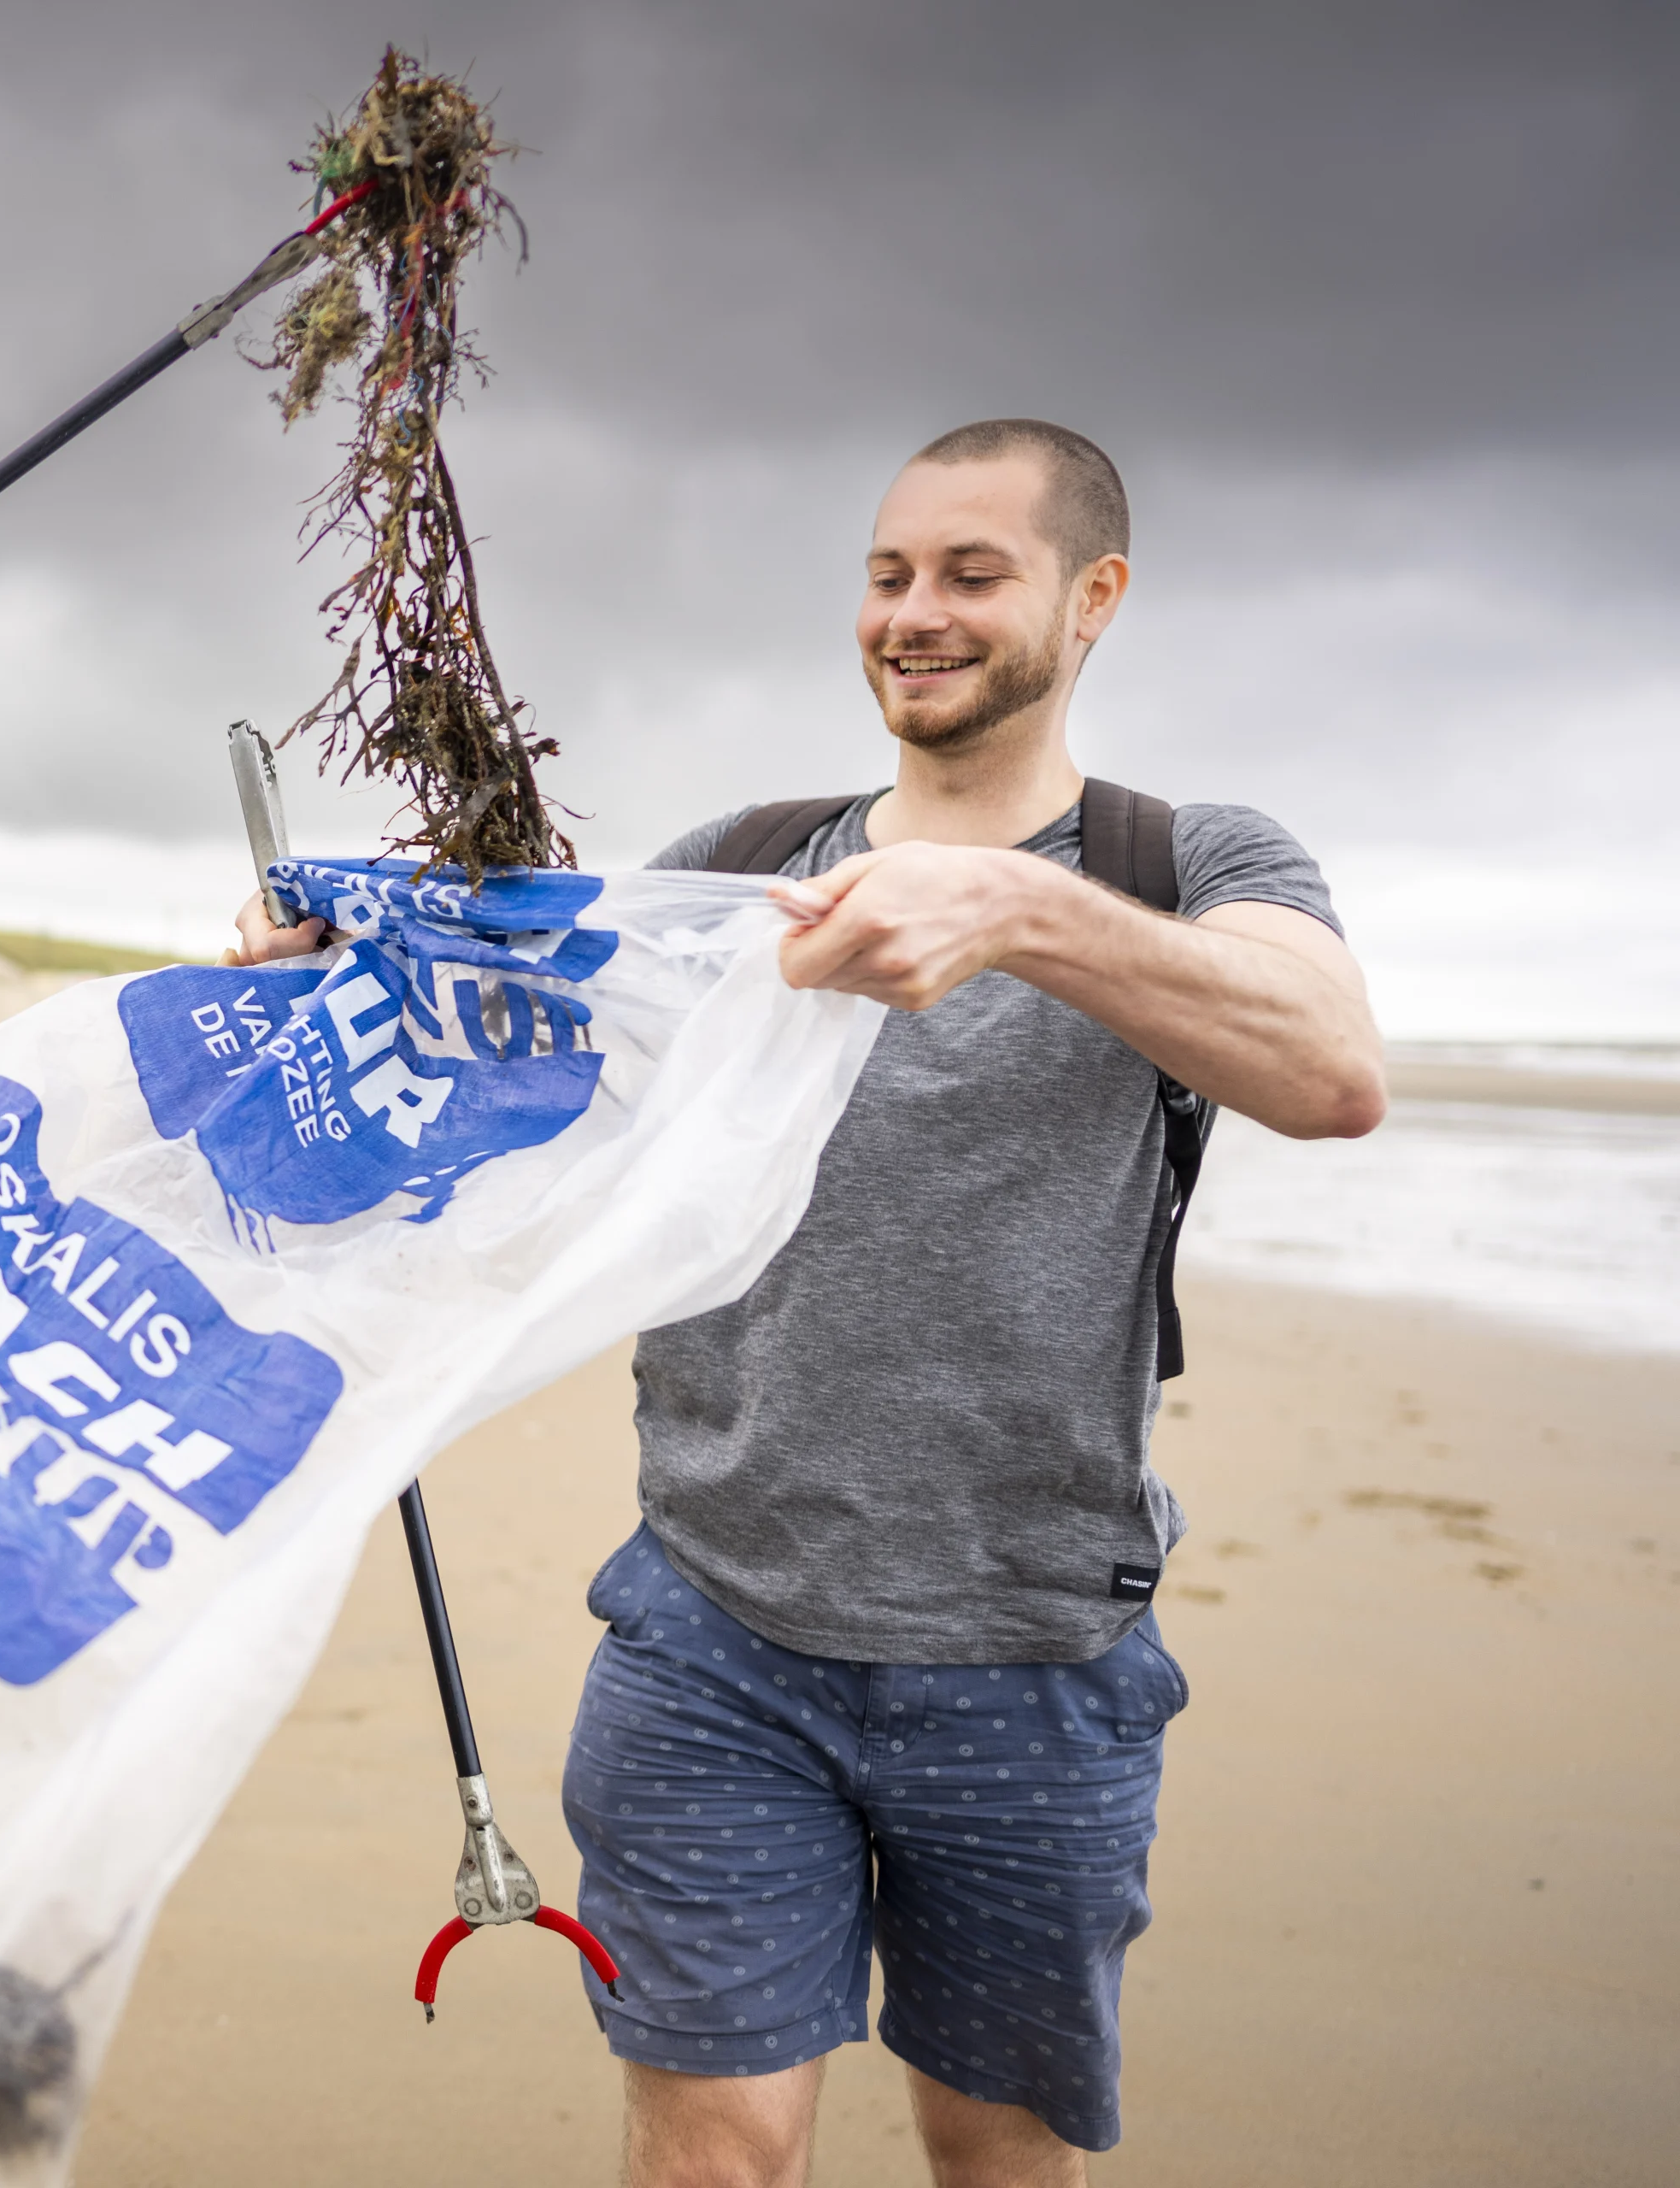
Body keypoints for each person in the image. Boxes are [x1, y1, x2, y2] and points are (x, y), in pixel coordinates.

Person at [232, 420, 1383, 2188]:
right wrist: (332, 984)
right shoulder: (745, 856)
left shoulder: (1188, 858)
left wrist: (1015, 906)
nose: (916, 613)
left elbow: (1328, 1067)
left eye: (973, 575)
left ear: (1094, 598)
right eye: (889, 573)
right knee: (715, 2156)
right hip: (713, 1635)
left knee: (996, 2151)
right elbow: (515, 1077)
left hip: (1035, 1651)